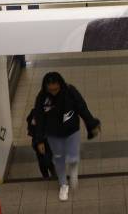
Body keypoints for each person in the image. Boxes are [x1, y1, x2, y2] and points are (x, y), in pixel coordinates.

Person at [33, 72, 101, 201]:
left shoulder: (70, 91)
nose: (53, 92)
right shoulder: (42, 97)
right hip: (53, 134)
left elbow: (82, 107)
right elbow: (39, 118)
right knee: (58, 158)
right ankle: (63, 184)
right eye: (50, 90)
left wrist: (92, 124)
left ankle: (73, 172)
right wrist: (39, 140)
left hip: (71, 131)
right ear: (46, 87)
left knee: (73, 156)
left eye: (56, 89)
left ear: (60, 85)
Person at [27, 107, 57, 178]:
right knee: (42, 161)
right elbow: (32, 127)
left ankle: (53, 173)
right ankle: (47, 176)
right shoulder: (36, 112)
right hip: (40, 142)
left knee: (48, 160)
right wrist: (38, 142)